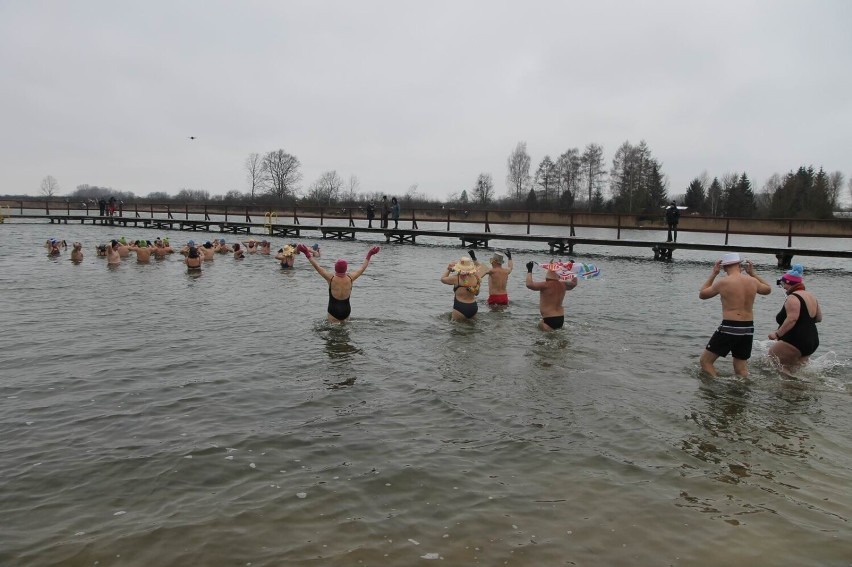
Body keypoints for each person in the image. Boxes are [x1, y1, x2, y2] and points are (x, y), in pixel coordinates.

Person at [698, 252, 772, 377]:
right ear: (739, 265)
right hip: (748, 328)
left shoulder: (723, 282)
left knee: (705, 362)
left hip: (730, 326)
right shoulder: (753, 281)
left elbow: (702, 294)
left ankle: (714, 392)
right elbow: (768, 289)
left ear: (724, 267)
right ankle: (741, 393)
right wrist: (753, 274)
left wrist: (713, 274)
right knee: (741, 369)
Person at [297, 243, 380, 323]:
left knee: (332, 334)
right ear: (346, 268)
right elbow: (362, 268)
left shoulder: (331, 278)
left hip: (333, 311)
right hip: (346, 311)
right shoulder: (351, 278)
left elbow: (317, 267)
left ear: (335, 268)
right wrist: (370, 254)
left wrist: (306, 253)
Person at [768, 264, 822, 372]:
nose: (783, 286)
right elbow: (818, 318)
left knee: (772, 361)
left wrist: (777, 334)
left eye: (783, 283)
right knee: (794, 371)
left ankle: (789, 388)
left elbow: (792, 319)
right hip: (812, 341)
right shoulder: (811, 296)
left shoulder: (793, 297)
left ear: (788, 282)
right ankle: (799, 388)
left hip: (795, 341)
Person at [525, 260, 578, 331]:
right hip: (560, 318)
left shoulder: (546, 285)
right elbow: (574, 283)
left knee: (541, 334)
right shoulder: (563, 285)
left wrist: (529, 270)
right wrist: (573, 269)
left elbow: (529, 284)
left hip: (549, 318)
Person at [441, 256, 481, 321]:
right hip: (473, 307)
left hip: (460, 307)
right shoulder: (476, 278)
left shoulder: (456, 278)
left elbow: (443, 279)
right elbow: (477, 293)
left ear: (458, 268)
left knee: (457, 329)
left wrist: (449, 270)